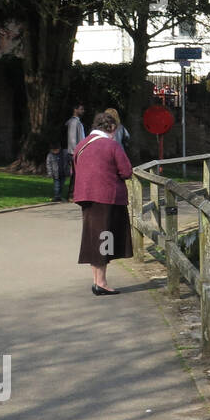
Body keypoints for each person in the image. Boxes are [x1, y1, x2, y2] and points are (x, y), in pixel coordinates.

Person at [73, 112, 133, 295]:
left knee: (94, 238)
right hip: (107, 197)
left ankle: (97, 280)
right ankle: (101, 282)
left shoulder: (81, 145)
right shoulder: (111, 145)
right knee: (104, 239)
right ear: (112, 128)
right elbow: (126, 171)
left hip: (86, 197)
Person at [66, 103, 86, 195]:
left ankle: (75, 193)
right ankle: (71, 193)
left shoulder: (77, 122)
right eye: (81, 109)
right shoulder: (74, 122)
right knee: (75, 174)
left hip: (77, 152)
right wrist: (76, 152)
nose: (83, 111)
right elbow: (72, 139)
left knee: (77, 174)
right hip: (75, 152)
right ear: (75, 109)